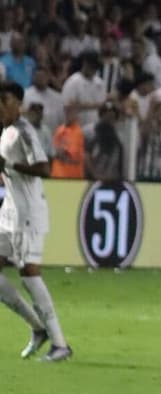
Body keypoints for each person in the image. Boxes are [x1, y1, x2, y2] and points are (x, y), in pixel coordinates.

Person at [0, 81, 72, 362]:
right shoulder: (5, 132)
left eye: (5, 100)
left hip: (28, 214)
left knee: (29, 273)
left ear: (18, 103)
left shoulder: (25, 132)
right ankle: (37, 328)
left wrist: (8, 166)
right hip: (9, 213)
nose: (0, 106)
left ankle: (60, 344)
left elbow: (45, 168)